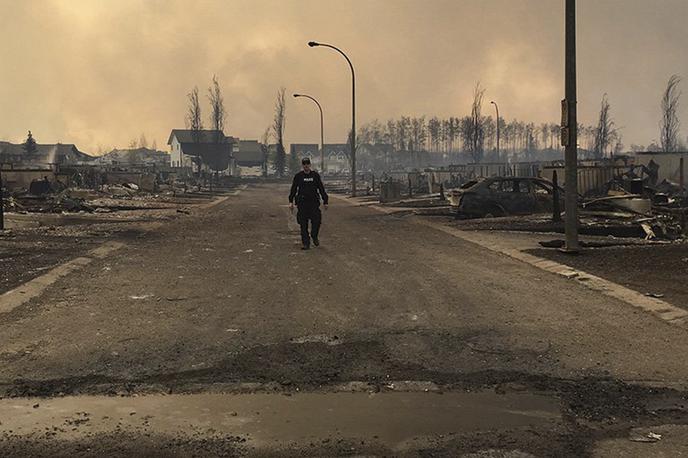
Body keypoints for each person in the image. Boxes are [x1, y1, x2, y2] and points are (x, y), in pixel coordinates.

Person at [289, 158, 328, 250]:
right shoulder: (298, 176)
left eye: (307, 164)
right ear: (302, 165)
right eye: (304, 164)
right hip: (302, 204)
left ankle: (314, 236)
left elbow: (321, 189)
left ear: (310, 165)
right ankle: (306, 243)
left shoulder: (315, 176)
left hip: (313, 203)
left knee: (317, 221)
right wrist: (290, 201)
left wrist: (325, 201)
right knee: (303, 224)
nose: (306, 165)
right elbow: (294, 189)